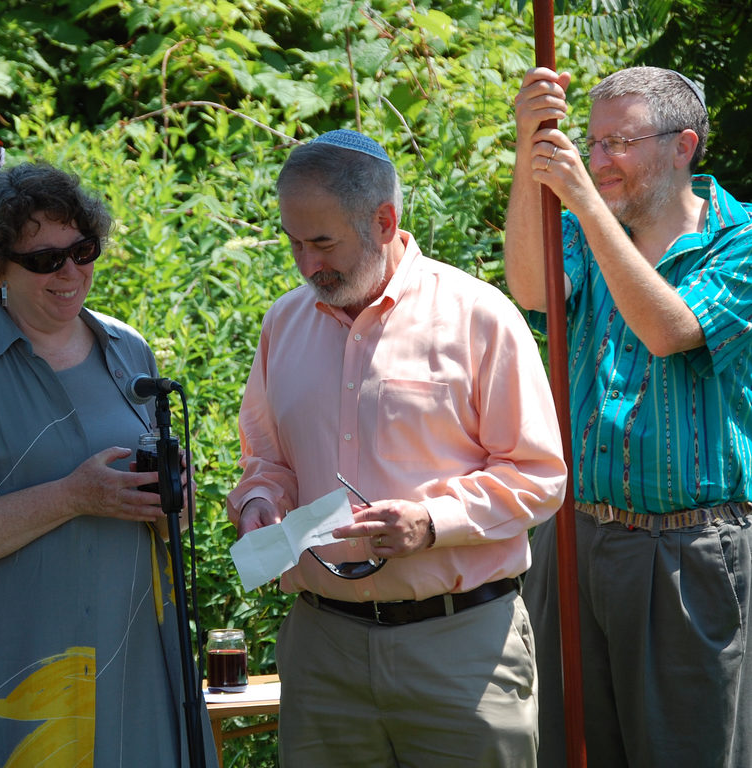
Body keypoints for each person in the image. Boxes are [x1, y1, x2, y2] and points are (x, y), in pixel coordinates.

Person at [226, 129, 567, 766]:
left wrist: (430, 522)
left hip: (460, 648)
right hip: (322, 647)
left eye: (322, 242)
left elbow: (538, 475)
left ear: (385, 220)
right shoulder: (284, 322)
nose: (305, 264)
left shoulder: (478, 315)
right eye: (294, 242)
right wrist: (259, 504)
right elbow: (265, 462)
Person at [0, 162, 218, 767]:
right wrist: (72, 496)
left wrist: (169, 502)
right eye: (45, 259)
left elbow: (167, 526)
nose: (71, 272)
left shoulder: (127, 349)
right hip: (17, 673)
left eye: (83, 250)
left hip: (132, 661)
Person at [506, 66, 752, 767]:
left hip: (687, 551)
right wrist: (531, 151)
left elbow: (668, 329)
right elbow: (531, 290)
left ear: (683, 145)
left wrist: (581, 203)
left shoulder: (740, 239)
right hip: (574, 537)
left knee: (689, 752)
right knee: (567, 748)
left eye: (618, 142)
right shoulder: (584, 231)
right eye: (591, 140)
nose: (597, 158)